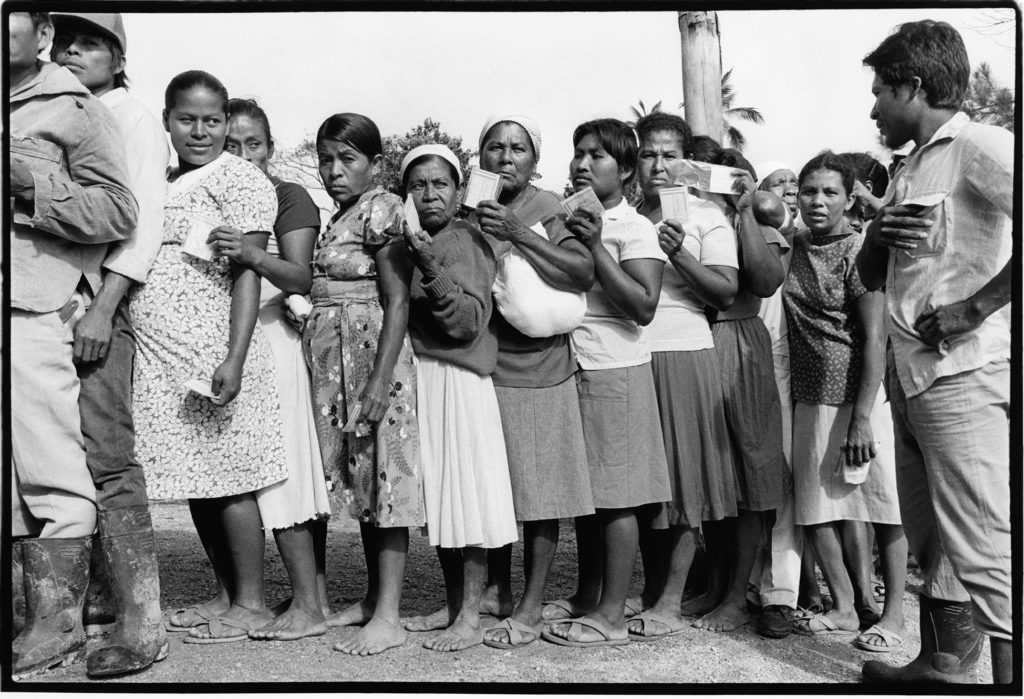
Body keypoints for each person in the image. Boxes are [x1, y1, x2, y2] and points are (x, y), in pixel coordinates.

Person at [857, 20, 1012, 684]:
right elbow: (867, 277)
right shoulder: (911, 166)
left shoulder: (979, 143)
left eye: (880, 92)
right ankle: (944, 664)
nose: (873, 108)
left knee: (985, 544)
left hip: (963, 376)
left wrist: (975, 306)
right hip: (910, 377)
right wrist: (877, 233)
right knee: (933, 536)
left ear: (913, 87)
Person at [131, 70, 287, 644]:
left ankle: (251, 600)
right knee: (198, 479)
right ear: (168, 120)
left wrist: (235, 357)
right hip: (167, 356)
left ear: (227, 122)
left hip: (215, 349)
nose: (199, 131)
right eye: (186, 119)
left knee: (232, 478)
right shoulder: (166, 179)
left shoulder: (241, 178)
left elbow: (248, 273)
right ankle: (224, 594)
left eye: (212, 121)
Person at [9, 10, 138, 679]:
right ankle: (28, 618)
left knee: (51, 471)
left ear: (41, 35)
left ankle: (58, 623)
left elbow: (119, 213)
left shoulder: (73, 109)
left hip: (33, 305)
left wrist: (28, 184)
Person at [47, 11, 170, 677]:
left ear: (117, 56)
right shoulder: (51, 107)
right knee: (54, 458)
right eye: (64, 40)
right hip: (44, 302)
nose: (74, 51)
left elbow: (141, 221)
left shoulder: (131, 113)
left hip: (99, 298)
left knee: (109, 457)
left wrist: (104, 309)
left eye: (89, 41)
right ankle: (78, 613)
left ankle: (142, 621)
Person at [189, 98, 331, 642]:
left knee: (283, 473)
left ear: (270, 148)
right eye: (232, 144)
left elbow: (299, 278)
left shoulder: (286, 195)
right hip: (215, 340)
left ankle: (306, 601)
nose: (244, 155)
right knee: (214, 469)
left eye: (255, 144)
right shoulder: (199, 189)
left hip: (272, 341)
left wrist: (248, 255)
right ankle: (230, 593)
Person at [463, 114, 596, 649]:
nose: (505, 157)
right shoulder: (469, 208)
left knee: (541, 495)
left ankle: (532, 605)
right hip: (486, 368)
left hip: (542, 371)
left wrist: (519, 234)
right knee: (498, 490)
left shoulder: (549, 208)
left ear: (534, 160)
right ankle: (497, 590)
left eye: (518, 148)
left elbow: (581, 273)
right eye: (494, 147)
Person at [541, 118, 670, 648]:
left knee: (618, 497)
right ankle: (588, 596)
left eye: (597, 155)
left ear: (624, 169)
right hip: (574, 366)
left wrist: (596, 247)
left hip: (615, 368)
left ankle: (612, 615)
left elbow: (643, 306)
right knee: (589, 496)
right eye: (578, 152)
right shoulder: (569, 219)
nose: (582, 163)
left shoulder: (633, 227)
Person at [302, 113, 423, 656]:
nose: (334, 169)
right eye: (326, 159)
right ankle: (375, 600)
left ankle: (391, 616)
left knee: (386, 479)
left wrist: (379, 381)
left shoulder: (385, 209)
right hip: (336, 362)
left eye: (347, 159)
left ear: (375, 164)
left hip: (374, 357)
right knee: (364, 480)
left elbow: (397, 299)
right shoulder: (340, 216)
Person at [618, 112, 739, 641]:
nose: (659, 166)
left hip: (683, 350)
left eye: (670, 155)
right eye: (648, 154)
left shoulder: (707, 214)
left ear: (687, 160)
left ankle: (669, 602)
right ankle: (648, 591)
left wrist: (679, 254)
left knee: (687, 481)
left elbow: (726, 292)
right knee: (647, 484)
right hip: (629, 352)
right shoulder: (623, 213)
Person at [783, 152, 907, 654]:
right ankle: (843, 606)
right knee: (815, 507)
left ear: (850, 198)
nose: (817, 201)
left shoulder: (861, 252)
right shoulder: (793, 247)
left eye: (830, 192)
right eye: (808, 191)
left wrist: (861, 419)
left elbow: (876, 339)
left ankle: (895, 614)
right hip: (810, 397)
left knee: (882, 505)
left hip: (861, 400)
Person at [399, 144, 518, 652]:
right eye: (418, 185)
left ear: (459, 189)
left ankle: (470, 617)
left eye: (440, 184)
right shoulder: (414, 241)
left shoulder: (466, 239)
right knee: (446, 500)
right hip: (427, 377)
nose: (429, 194)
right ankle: (455, 608)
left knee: (468, 500)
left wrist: (429, 264)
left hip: (460, 381)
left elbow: (468, 322)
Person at [693, 150, 790, 634]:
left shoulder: (755, 223)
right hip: (694, 341)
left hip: (739, 338)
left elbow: (767, 280)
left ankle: (736, 596)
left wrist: (746, 211)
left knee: (750, 473)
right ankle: (714, 586)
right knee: (712, 473)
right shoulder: (690, 219)